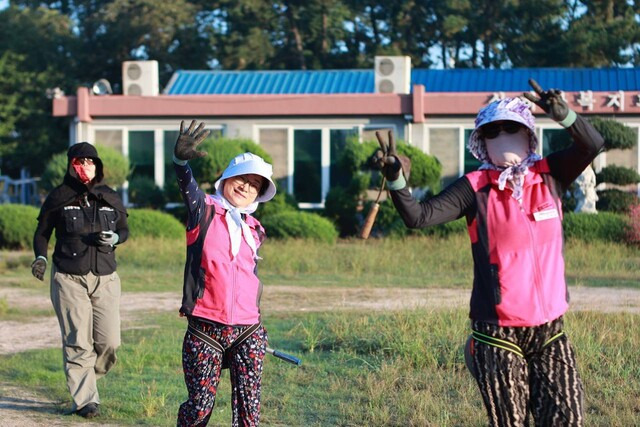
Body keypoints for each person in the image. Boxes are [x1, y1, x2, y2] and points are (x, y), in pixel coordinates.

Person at [372, 80, 604, 426]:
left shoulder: (550, 175)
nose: (503, 136)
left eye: (512, 128)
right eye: (493, 131)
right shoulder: (475, 187)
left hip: (550, 328)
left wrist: (565, 115)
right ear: (481, 141)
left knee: (568, 419)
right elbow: (417, 217)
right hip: (496, 331)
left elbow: (593, 145)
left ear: (529, 135)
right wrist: (396, 179)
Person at [173, 120, 277, 426]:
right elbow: (186, 184)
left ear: (259, 193)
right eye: (240, 179)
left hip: (248, 329)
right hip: (206, 327)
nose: (245, 186)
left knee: (249, 412)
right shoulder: (202, 211)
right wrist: (181, 161)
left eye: (254, 184)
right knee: (199, 408)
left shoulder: (255, 229)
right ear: (227, 179)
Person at [31, 142, 128, 418]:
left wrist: (117, 238)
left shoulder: (109, 196)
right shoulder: (58, 197)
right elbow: (42, 233)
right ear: (70, 165)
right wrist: (41, 258)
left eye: (90, 161)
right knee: (78, 341)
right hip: (69, 277)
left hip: (106, 277)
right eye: (79, 161)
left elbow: (124, 229)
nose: (85, 166)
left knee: (110, 341)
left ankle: (86, 377)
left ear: (97, 166)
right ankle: (86, 400)